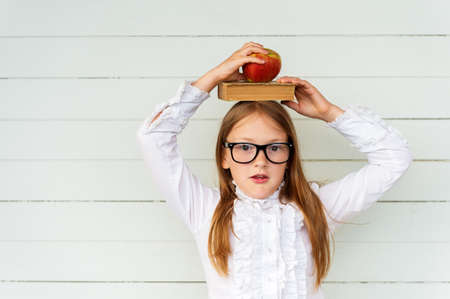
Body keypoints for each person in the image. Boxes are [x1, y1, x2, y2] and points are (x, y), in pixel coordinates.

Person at [136, 41, 413, 299]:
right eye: (244, 147)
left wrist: (327, 111)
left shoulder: (316, 207)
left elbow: (394, 158)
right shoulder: (204, 209)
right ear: (224, 156)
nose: (260, 161)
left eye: (274, 147)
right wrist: (213, 78)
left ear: (290, 155)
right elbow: (153, 137)